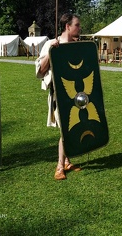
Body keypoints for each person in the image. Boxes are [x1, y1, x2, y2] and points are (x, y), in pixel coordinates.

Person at [35, 13, 82, 180]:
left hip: (76, 94)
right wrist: (50, 52)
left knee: (72, 127)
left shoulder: (77, 45)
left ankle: (67, 161)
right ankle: (60, 166)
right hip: (59, 94)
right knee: (65, 131)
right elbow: (39, 71)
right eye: (77, 25)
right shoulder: (50, 43)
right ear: (67, 26)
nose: (79, 27)